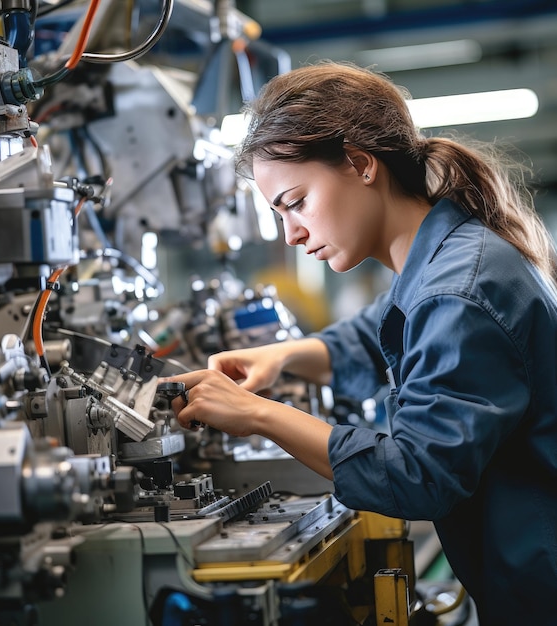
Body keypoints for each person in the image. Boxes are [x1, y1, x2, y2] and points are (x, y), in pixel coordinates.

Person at [164, 61, 557, 625]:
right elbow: (380, 332)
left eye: (296, 202)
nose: (291, 234)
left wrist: (259, 415)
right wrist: (283, 356)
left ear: (360, 164)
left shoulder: (456, 291)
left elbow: (416, 478)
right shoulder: (449, 256)